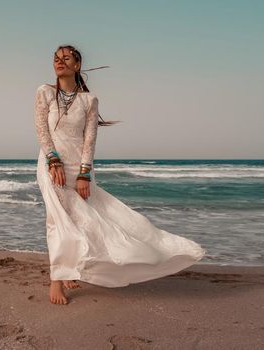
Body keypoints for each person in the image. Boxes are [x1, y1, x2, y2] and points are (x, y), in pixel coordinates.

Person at [34, 45, 207, 305]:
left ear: (77, 65)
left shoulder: (89, 100)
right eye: (56, 58)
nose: (59, 61)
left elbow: (89, 140)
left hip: (78, 166)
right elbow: (41, 129)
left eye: (66, 58)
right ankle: (57, 279)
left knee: (84, 220)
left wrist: (84, 174)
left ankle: (70, 268)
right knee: (58, 220)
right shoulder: (44, 92)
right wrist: (52, 160)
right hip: (51, 164)